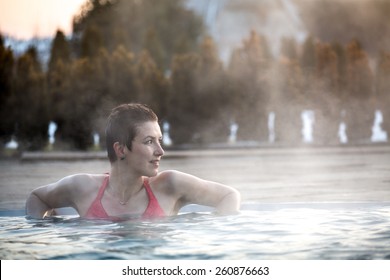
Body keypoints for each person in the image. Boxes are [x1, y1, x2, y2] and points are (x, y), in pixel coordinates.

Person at [26, 103, 240, 220]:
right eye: (149, 142)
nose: (161, 151)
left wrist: (215, 227)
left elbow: (230, 196)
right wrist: (47, 226)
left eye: (160, 141)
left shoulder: (171, 185)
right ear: (120, 149)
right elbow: (36, 198)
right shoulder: (81, 188)